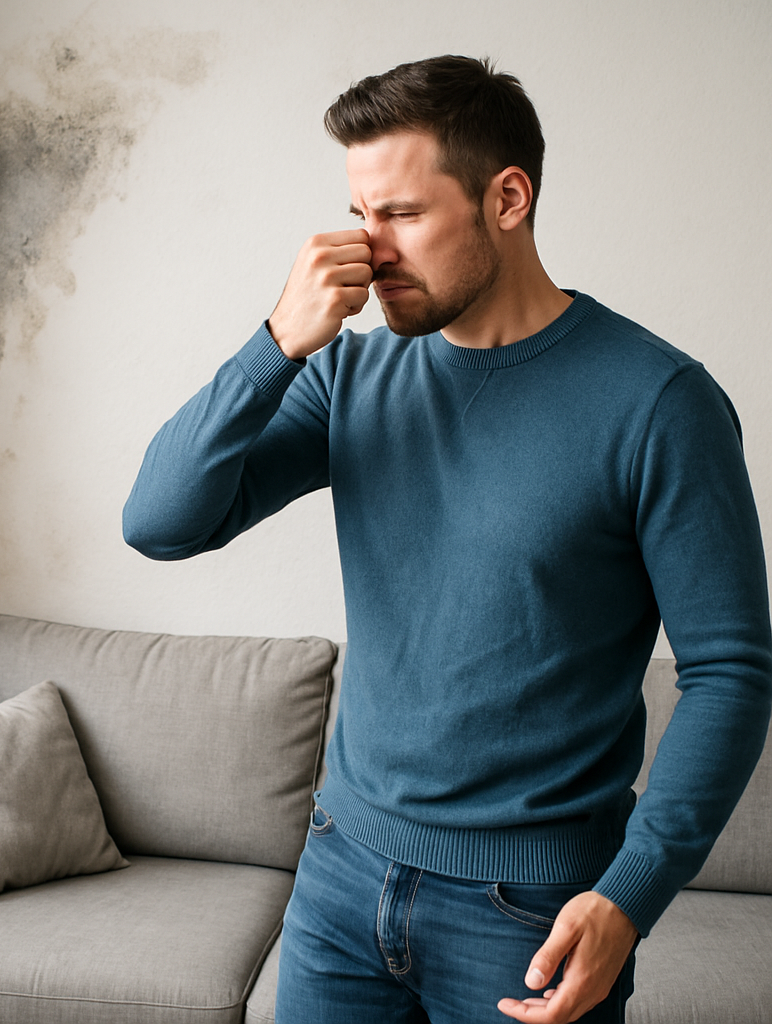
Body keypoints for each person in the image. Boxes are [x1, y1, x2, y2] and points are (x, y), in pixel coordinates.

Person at [122, 55, 771, 1023]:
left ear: (506, 198)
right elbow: (158, 521)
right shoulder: (349, 378)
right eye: (357, 213)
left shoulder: (659, 403)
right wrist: (275, 340)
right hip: (340, 877)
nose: (367, 248)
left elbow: (730, 672)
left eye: (401, 214)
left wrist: (628, 895)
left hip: (529, 914)